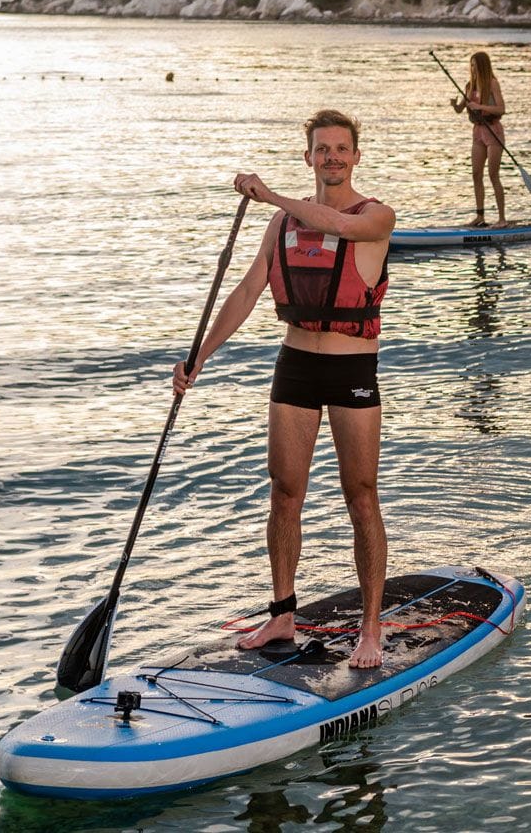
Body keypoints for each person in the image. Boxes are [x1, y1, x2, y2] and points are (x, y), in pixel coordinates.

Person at [172, 109, 397, 669]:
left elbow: (339, 227)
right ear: (309, 157)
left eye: (341, 149)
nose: (332, 158)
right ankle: (282, 612)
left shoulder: (378, 217)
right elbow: (248, 292)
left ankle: (371, 629)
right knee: (285, 492)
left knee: (361, 495)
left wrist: (271, 196)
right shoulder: (282, 227)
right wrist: (198, 357)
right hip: (295, 364)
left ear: (356, 156)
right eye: (322, 149)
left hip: (352, 372)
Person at [451, 51, 507, 226]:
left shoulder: (492, 84)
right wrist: (455, 105)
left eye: (475, 65)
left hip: (493, 132)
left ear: (482, 66)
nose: (472, 69)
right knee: (476, 174)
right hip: (478, 132)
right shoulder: (469, 86)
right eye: (471, 65)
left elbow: (501, 109)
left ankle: (501, 219)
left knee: (493, 174)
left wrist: (480, 106)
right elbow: (461, 109)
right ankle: (480, 216)